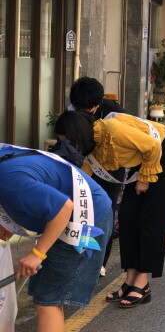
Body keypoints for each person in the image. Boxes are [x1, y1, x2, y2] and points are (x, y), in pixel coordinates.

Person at [55, 111, 165, 309]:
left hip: (161, 157)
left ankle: (142, 282)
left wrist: (144, 179)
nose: (67, 146)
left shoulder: (112, 130)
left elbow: (153, 145)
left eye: (67, 140)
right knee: (127, 217)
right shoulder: (92, 142)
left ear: (76, 134)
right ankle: (130, 279)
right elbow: (88, 170)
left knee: (150, 219)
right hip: (142, 160)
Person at [0, 143, 112, 332]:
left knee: (48, 300)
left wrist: (37, 253)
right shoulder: (4, 158)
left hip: (83, 220)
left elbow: (63, 208)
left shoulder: (8, 180)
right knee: (43, 293)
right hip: (64, 217)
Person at [64, 76, 125, 276]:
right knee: (80, 213)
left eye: (88, 110)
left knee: (104, 214)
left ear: (97, 104)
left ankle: (99, 265)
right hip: (82, 168)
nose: (83, 113)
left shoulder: (115, 113)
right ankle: (78, 257)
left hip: (109, 171)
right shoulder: (71, 110)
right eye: (78, 108)